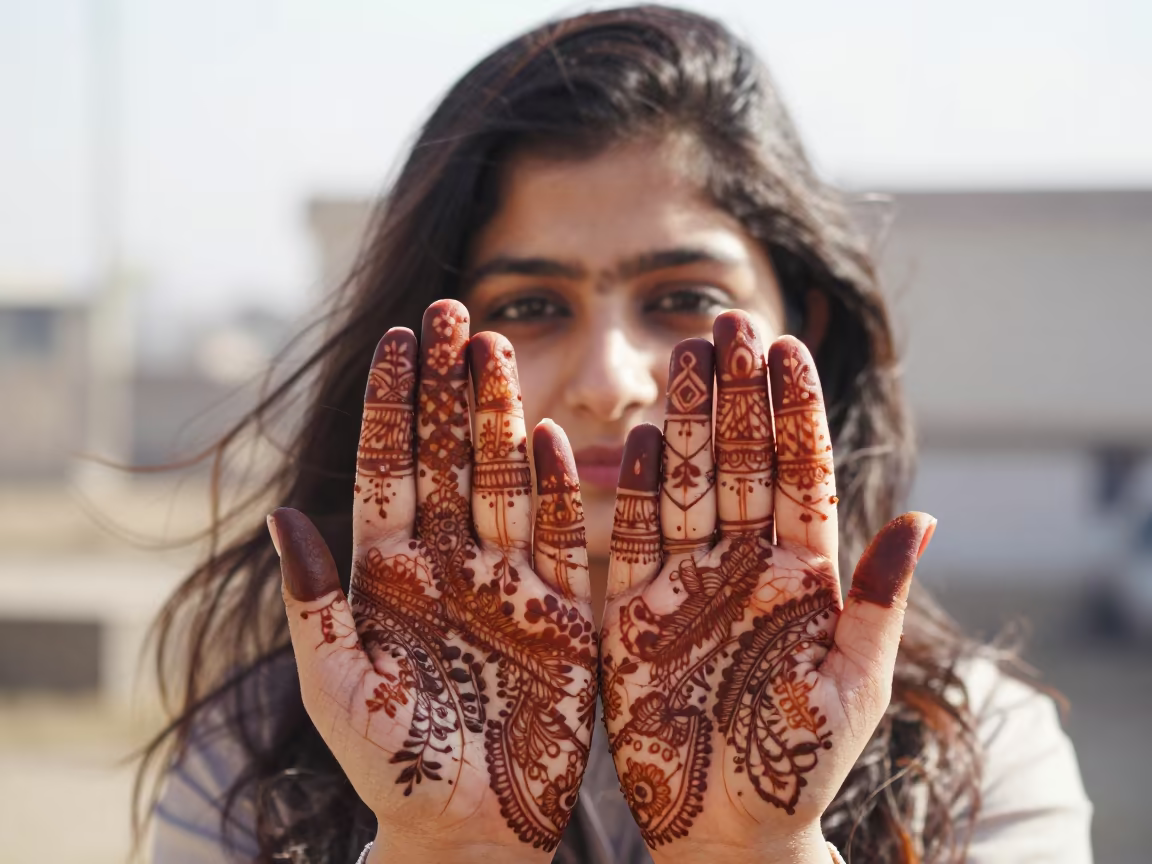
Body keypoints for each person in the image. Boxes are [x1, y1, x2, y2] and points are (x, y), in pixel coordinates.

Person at [139, 6, 1093, 862]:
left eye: (683, 300)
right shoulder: (261, 750)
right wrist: (449, 849)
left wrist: (753, 850)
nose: (609, 380)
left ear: (805, 322)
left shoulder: (971, 752)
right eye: (532, 304)